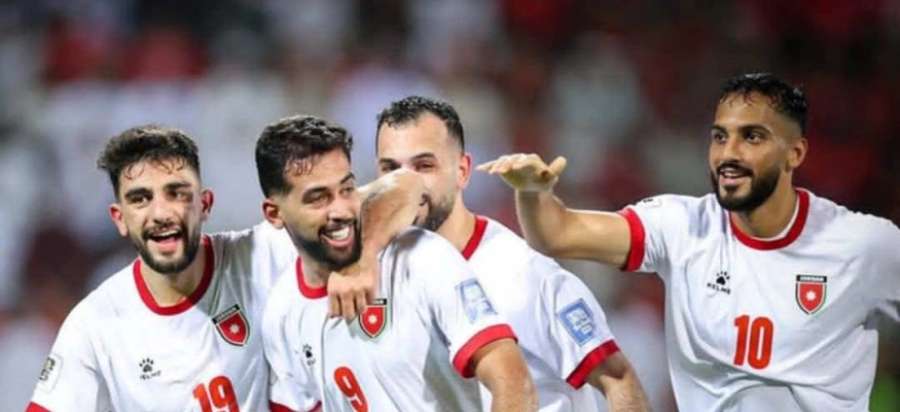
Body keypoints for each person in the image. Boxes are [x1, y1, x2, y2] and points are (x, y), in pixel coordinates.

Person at [479, 73, 900, 411]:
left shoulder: (863, 245)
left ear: (795, 153)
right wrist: (532, 193)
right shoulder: (682, 227)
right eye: (720, 137)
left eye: (752, 137)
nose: (729, 154)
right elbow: (558, 234)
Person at [25, 125, 414, 412]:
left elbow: (407, 186)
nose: (161, 213)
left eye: (177, 193)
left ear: (205, 204)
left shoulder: (262, 254)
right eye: (140, 199)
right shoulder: (95, 324)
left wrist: (361, 260)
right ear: (119, 218)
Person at [372, 96, 650, 412]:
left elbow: (619, 381)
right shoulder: (375, 271)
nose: (405, 184)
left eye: (424, 166)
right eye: (390, 169)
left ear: (462, 171)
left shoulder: (525, 274)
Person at [257, 115, 537, 411]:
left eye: (347, 189)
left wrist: (363, 259)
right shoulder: (282, 310)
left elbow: (515, 383)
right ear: (274, 214)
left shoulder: (420, 257)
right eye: (318, 198)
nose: (341, 210)